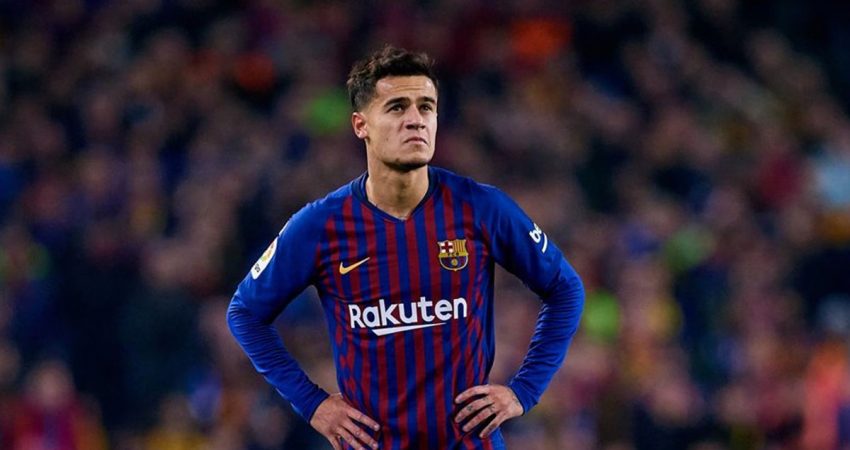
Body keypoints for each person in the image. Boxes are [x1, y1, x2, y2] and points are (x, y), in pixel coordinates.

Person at [227, 45, 585, 450]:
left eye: (426, 107)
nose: (416, 119)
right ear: (361, 125)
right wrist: (313, 404)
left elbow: (566, 288)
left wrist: (524, 390)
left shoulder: (482, 207)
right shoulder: (319, 226)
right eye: (397, 107)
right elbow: (245, 313)